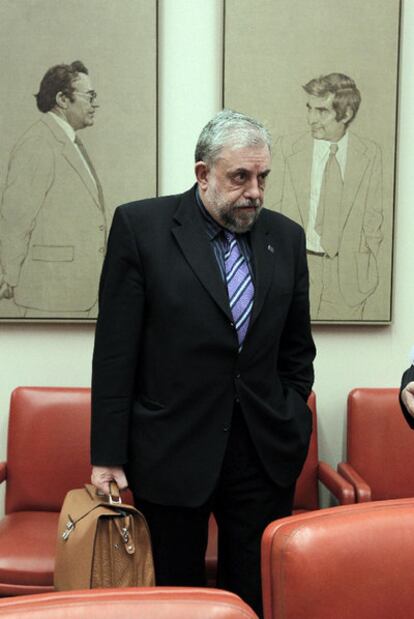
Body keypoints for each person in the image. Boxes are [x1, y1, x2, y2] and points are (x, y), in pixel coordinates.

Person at [90, 109, 315, 617]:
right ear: (203, 174)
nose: (255, 191)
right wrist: (107, 454)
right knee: (175, 597)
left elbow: (297, 348)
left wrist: (290, 407)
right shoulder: (141, 227)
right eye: (240, 177)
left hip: (260, 451)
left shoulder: (288, 237)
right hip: (170, 449)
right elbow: (115, 351)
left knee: (253, 594)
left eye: (263, 177)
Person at [0, 60, 106, 317]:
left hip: (72, 291)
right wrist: (9, 276)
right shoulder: (38, 143)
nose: (95, 104)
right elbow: (15, 218)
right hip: (50, 294)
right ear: (62, 99)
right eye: (89, 96)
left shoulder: (66, 140)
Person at [274, 73, 383, 320]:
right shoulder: (287, 149)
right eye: (309, 109)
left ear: (346, 115)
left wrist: (367, 258)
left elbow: (375, 217)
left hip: (350, 278)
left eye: (322, 111)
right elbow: (272, 210)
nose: (311, 118)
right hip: (298, 270)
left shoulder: (370, 154)